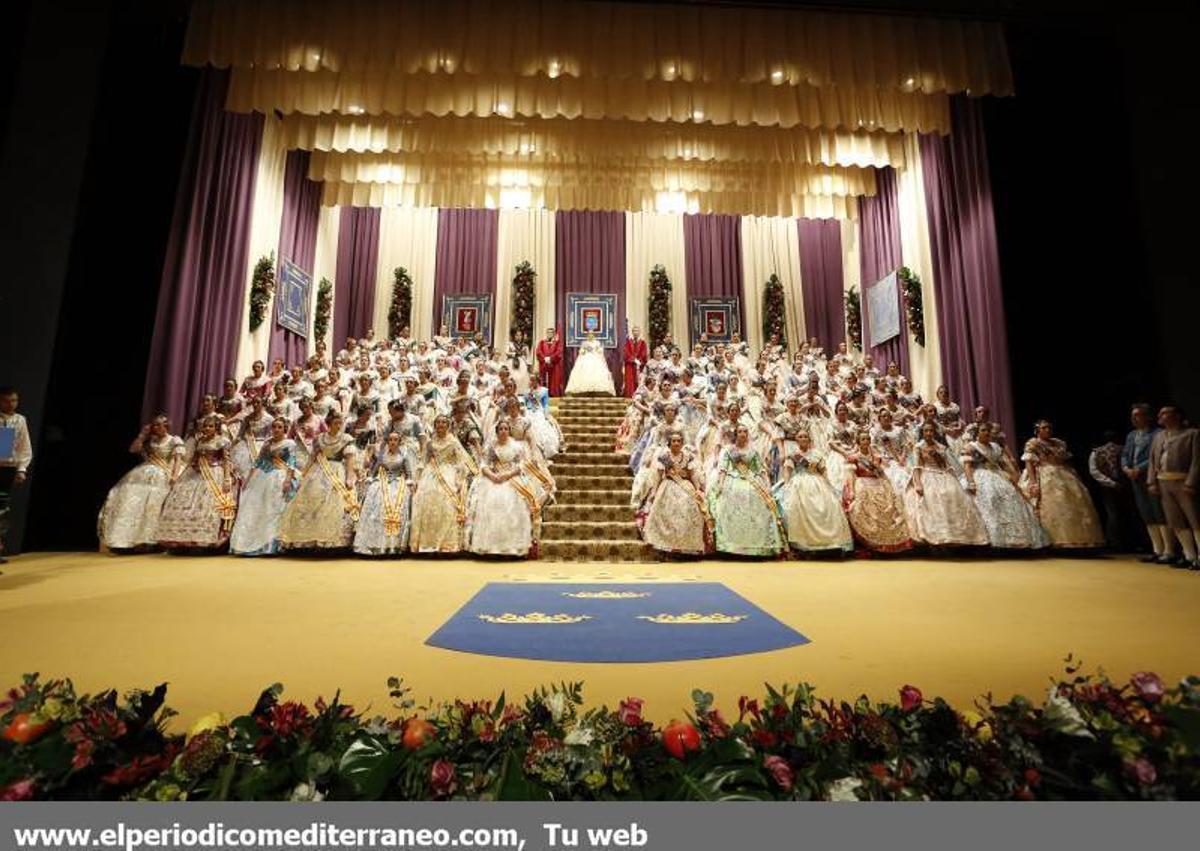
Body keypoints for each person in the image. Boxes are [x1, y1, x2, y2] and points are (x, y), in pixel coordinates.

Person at [97, 415, 184, 552]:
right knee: (134, 501)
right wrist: (142, 435)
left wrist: (174, 475)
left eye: (158, 425)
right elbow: (133, 449)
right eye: (154, 425)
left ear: (165, 426)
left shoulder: (174, 440)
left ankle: (154, 541)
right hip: (145, 472)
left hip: (163, 473)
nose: (155, 428)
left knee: (154, 504)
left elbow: (178, 459)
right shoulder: (150, 440)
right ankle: (132, 540)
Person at [278, 411, 360, 550]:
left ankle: (332, 542)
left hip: (337, 471)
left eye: (340, 423)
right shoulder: (320, 438)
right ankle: (310, 541)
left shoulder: (346, 439)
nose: (339, 426)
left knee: (333, 505)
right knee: (313, 503)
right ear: (328, 424)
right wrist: (304, 474)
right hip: (318, 472)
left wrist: (350, 477)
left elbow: (350, 459)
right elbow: (312, 457)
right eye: (336, 423)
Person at [156, 415, 239, 551]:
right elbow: (194, 458)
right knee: (186, 502)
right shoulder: (200, 440)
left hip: (214, 474)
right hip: (196, 475)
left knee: (208, 505)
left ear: (216, 428)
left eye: (210, 426)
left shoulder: (222, 441)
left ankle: (204, 541)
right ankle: (184, 540)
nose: (207, 428)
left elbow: (226, 461)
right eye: (205, 426)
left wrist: (227, 479)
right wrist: (188, 469)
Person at [960, 421, 1047, 550]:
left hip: (997, 475)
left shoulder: (995, 447)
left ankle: (1012, 540)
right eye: (983, 430)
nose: (987, 433)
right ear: (977, 433)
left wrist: (1013, 476)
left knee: (1010, 500)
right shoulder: (971, 447)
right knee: (987, 501)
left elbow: (1003, 464)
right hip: (979, 475)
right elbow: (967, 466)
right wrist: (971, 482)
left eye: (989, 431)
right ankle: (985, 541)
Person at [1019, 420, 1105, 549]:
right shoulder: (1033, 443)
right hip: (1043, 473)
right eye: (1044, 428)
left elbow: (1065, 461)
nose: (1047, 429)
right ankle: (1048, 539)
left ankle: (1073, 538)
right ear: (1037, 430)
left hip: (1062, 473)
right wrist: (1033, 482)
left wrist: (1073, 475)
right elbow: (1029, 462)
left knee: (1071, 504)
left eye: (1049, 427)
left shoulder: (1059, 443)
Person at [904, 423, 989, 548]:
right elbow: (916, 467)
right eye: (926, 431)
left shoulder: (941, 447)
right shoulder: (918, 446)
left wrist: (954, 478)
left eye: (931, 431)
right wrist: (918, 484)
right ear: (923, 432)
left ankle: (953, 538)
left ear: (934, 432)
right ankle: (934, 539)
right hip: (927, 474)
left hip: (942, 474)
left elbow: (947, 466)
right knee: (931, 498)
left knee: (953, 494)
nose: (929, 433)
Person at [706, 424, 785, 557]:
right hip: (733, 479)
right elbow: (723, 469)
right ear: (736, 434)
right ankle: (730, 545)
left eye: (745, 431)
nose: (742, 434)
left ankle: (757, 545)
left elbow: (761, 470)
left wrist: (767, 485)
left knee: (758, 500)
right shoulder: (728, 451)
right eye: (740, 431)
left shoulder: (753, 452)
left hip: (751, 480)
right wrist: (720, 484)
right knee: (728, 498)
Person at [229, 417, 300, 556]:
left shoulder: (290, 443)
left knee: (273, 508)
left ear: (285, 429)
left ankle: (273, 543)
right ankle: (253, 543)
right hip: (263, 477)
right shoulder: (267, 443)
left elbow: (292, 462)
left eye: (279, 427)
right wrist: (248, 479)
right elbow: (258, 462)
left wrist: (287, 480)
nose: (276, 430)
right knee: (257, 507)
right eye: (274, 427)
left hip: (279, 476)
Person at [775, 430, 853, 555]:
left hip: (818, 482)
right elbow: (787, 470)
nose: (803, 438)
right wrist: (787, 485)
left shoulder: (817, 454)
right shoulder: (793, 455)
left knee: (827, 507)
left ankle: (829, 542)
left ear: (809, 439)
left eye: (805, 436)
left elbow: (823, 471)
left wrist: (829, 484)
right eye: (800, 436)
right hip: (799, 482)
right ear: (797, 440)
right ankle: (806, 544)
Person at [466, 420, 538, 557]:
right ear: (497, 431)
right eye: (501, 429)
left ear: (509, 431)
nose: (503, 431)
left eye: (506, 429)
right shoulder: (490, 447)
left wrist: (507, 475)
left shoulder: (517, 447)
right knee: (490, 506)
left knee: (512, 505)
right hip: (493, 479)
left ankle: (509, 548)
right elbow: (483, 465)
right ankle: (491, 548)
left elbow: (521, 465)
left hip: (512, 478)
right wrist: (492, 476)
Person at [409, 414, 475, 553]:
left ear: (448, 425)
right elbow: (424, 460)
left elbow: (461, 461)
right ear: (435, 425)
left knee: (446, 500)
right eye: (438, 423)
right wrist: (418, 478)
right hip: (430, 472)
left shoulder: (453, 442)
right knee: (425, 500)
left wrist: (458, 478)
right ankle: (428, 542)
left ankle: (446, 543)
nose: (440, 425)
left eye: (443, 423)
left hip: (448, 472)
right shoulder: (429, 442)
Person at [640, 430, 710, 556]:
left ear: (682, 443)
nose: (676, 443)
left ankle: (686, 546)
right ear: (669, 443)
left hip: (685, 486)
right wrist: (654, 492)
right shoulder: (664, 458)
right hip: (668, 486)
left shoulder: (688, 457)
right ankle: (666, 545)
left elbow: (693, 475)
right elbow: (658, 476)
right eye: (674, 441)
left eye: (679, 441)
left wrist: (698, 489)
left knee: (691, 506)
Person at [1147, 406, 1200, 569]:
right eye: (1160, 413)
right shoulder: (1159, 436)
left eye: (1165, 413)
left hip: (1183, 481)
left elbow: (1197, 461)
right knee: (1175, 520)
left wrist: (1191, 482)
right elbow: (1152, 460)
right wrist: (1152, 481)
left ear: (1177, 416)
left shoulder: (1192, 434)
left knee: (1195, 519)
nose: (1160, 416)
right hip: (1163, 481)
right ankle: (1189, 555)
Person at [843, 432, 912, 554]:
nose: (865, 441)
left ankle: (885, 544)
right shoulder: (853, 458)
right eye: (863, 439)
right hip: (863, 484)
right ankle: (871, 544)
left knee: (889, 508)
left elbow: (882, 474)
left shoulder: (876, 457)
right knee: (863, 509)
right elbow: (850, 475)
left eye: (867, 439)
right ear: (858, 442)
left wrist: (889, 484)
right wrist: (852, 490)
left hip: (878, 484)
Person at [1123, 403, 1175, 564]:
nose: (1134, 418)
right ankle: (1157, 550)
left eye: (1138, 415)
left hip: (1152, 476)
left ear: (1148, 416)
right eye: (1133, 415)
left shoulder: (1158, 433)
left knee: (1158, 512)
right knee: (1147, 514)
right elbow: (1125, 454)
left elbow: (1157, 456)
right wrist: (1126, 468)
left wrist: (1140, 468)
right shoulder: (1131, 435)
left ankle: (1169, 550)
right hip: (1135, 478)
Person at [354, 431, 416, 556]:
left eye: (395, 440)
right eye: (391, 440)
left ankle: (395, 545)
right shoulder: (382, 456)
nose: (393, 442)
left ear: (399, 442)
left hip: (399, 482)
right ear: (388, 442)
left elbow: (409, 473)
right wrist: (370, 479)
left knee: (399, 503)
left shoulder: (404, 456)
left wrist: (409, 483)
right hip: (382, 482)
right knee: (377, 504)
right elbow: (374, 471)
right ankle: (376, 543)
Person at [0, 386, 33, 564]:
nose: (11, 404)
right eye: (6, 400)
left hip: (6, 470)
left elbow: (24, 447)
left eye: (14, 400)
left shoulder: (19, 420)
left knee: (2, 510)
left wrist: (22, 469)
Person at [1088, 429, 1134, 550]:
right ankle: (1127, 541)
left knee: (1114, 514)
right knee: (1123, 513)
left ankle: (1116, 542)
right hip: (1123, 484)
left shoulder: (1097, 452)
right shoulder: (1124, 449)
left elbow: (1094, 471)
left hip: (1109, 485)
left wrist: (1110, 482)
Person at [565, 331, 616, 396]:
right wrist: (584, 350)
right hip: (585, 358)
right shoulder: (584, 343)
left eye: (591, 335)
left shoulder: (597, 343)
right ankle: (584, 391)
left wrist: (596, 350)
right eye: (589, 335)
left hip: (595, 358)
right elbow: (581, 351)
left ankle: (597, 391)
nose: (590, 336)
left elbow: (600, 351)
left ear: (594, 335)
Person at [535, 327, 564, 397]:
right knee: (543, 379)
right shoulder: (542, 342)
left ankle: (553, 393)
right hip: (543, 364)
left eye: (551, 333)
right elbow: (538, 352)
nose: (549, 334)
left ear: (554, 334)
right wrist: (544, 358)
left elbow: (559, 353)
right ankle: (543, 394)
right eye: (548, 333)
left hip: (554, 365)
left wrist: (551, 358)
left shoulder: (557, 343)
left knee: (554, 380)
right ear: (546, 333)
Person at [622, 326, 649, 399]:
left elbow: (644, 353)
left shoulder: (643, 343)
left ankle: (638, 396)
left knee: (638, 380)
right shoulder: (628, 342)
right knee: (630, 381)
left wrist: (639, 360)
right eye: (634, 331)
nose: (635, 332)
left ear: (639, 332)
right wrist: (633, 360)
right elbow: (626, 352)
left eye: (637, 331)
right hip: (630, 365)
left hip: (639, 365)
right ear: (632, 332)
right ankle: (629, 396)